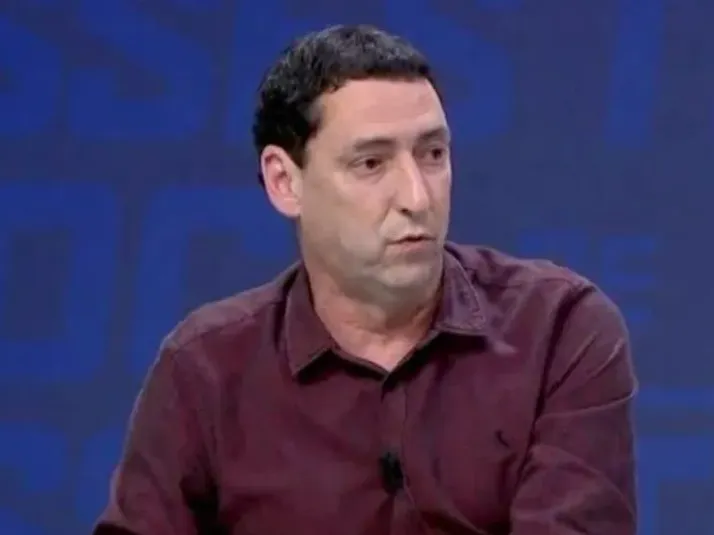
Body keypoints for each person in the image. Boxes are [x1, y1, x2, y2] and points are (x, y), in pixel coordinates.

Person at [93, 24, 637, 535]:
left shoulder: (558, 330)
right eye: (371, 163)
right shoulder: (206, 370)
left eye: (433, 154)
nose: (417, 197)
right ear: (284, 181)